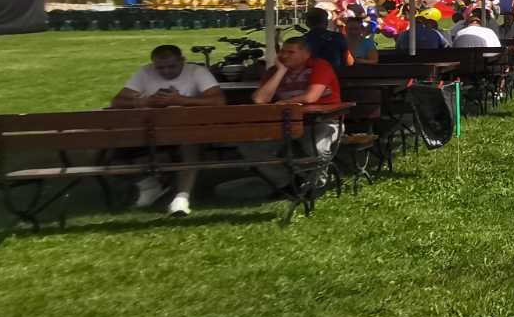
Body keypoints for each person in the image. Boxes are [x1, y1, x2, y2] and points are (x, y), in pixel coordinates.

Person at [113, 44, 224, 215]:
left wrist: (180, 100)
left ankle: (181, 197)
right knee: (114, 152)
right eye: (160, 67)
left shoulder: (197, 72)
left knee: (189, 144)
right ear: (153, 64)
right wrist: (144, 102)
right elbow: (118, 101)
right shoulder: (144, 72)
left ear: (182, 61)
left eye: (171, 66)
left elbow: (218, 101)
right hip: (151, 131)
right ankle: (149, 185)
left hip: (185, 130)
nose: (165, 71)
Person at [248, 35, 344, 187]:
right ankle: (286, 183)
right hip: (286, 124)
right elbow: (259, 99)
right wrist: (281, 71)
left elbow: (311, 97)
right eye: (282, 52)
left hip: (320, 122)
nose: (284, 55)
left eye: (290, 52)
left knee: (314, 146)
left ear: (306, 54)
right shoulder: (274, 71)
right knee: (251, 148)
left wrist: (284, 103)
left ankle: (317, 184)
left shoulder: (320, 66)